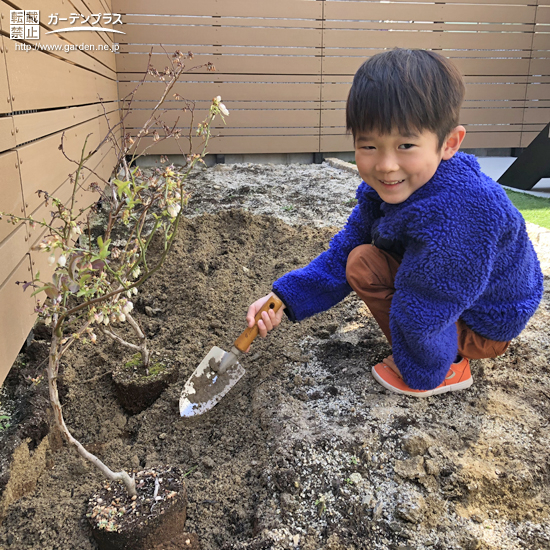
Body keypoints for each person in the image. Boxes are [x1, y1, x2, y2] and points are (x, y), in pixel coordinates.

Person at [246, 48, 544, 397]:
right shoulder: (387, 190)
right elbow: (344, 251)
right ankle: (435, 352)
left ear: (448, 143)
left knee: (383, 274)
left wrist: (422, 369)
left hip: (486, 322)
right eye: (369, 146)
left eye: (405, 145)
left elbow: (430, 299)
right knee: (359, 258)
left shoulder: (463, 210)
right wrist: (284, 296)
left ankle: (446, 366)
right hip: (454, 286)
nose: (386, 165)